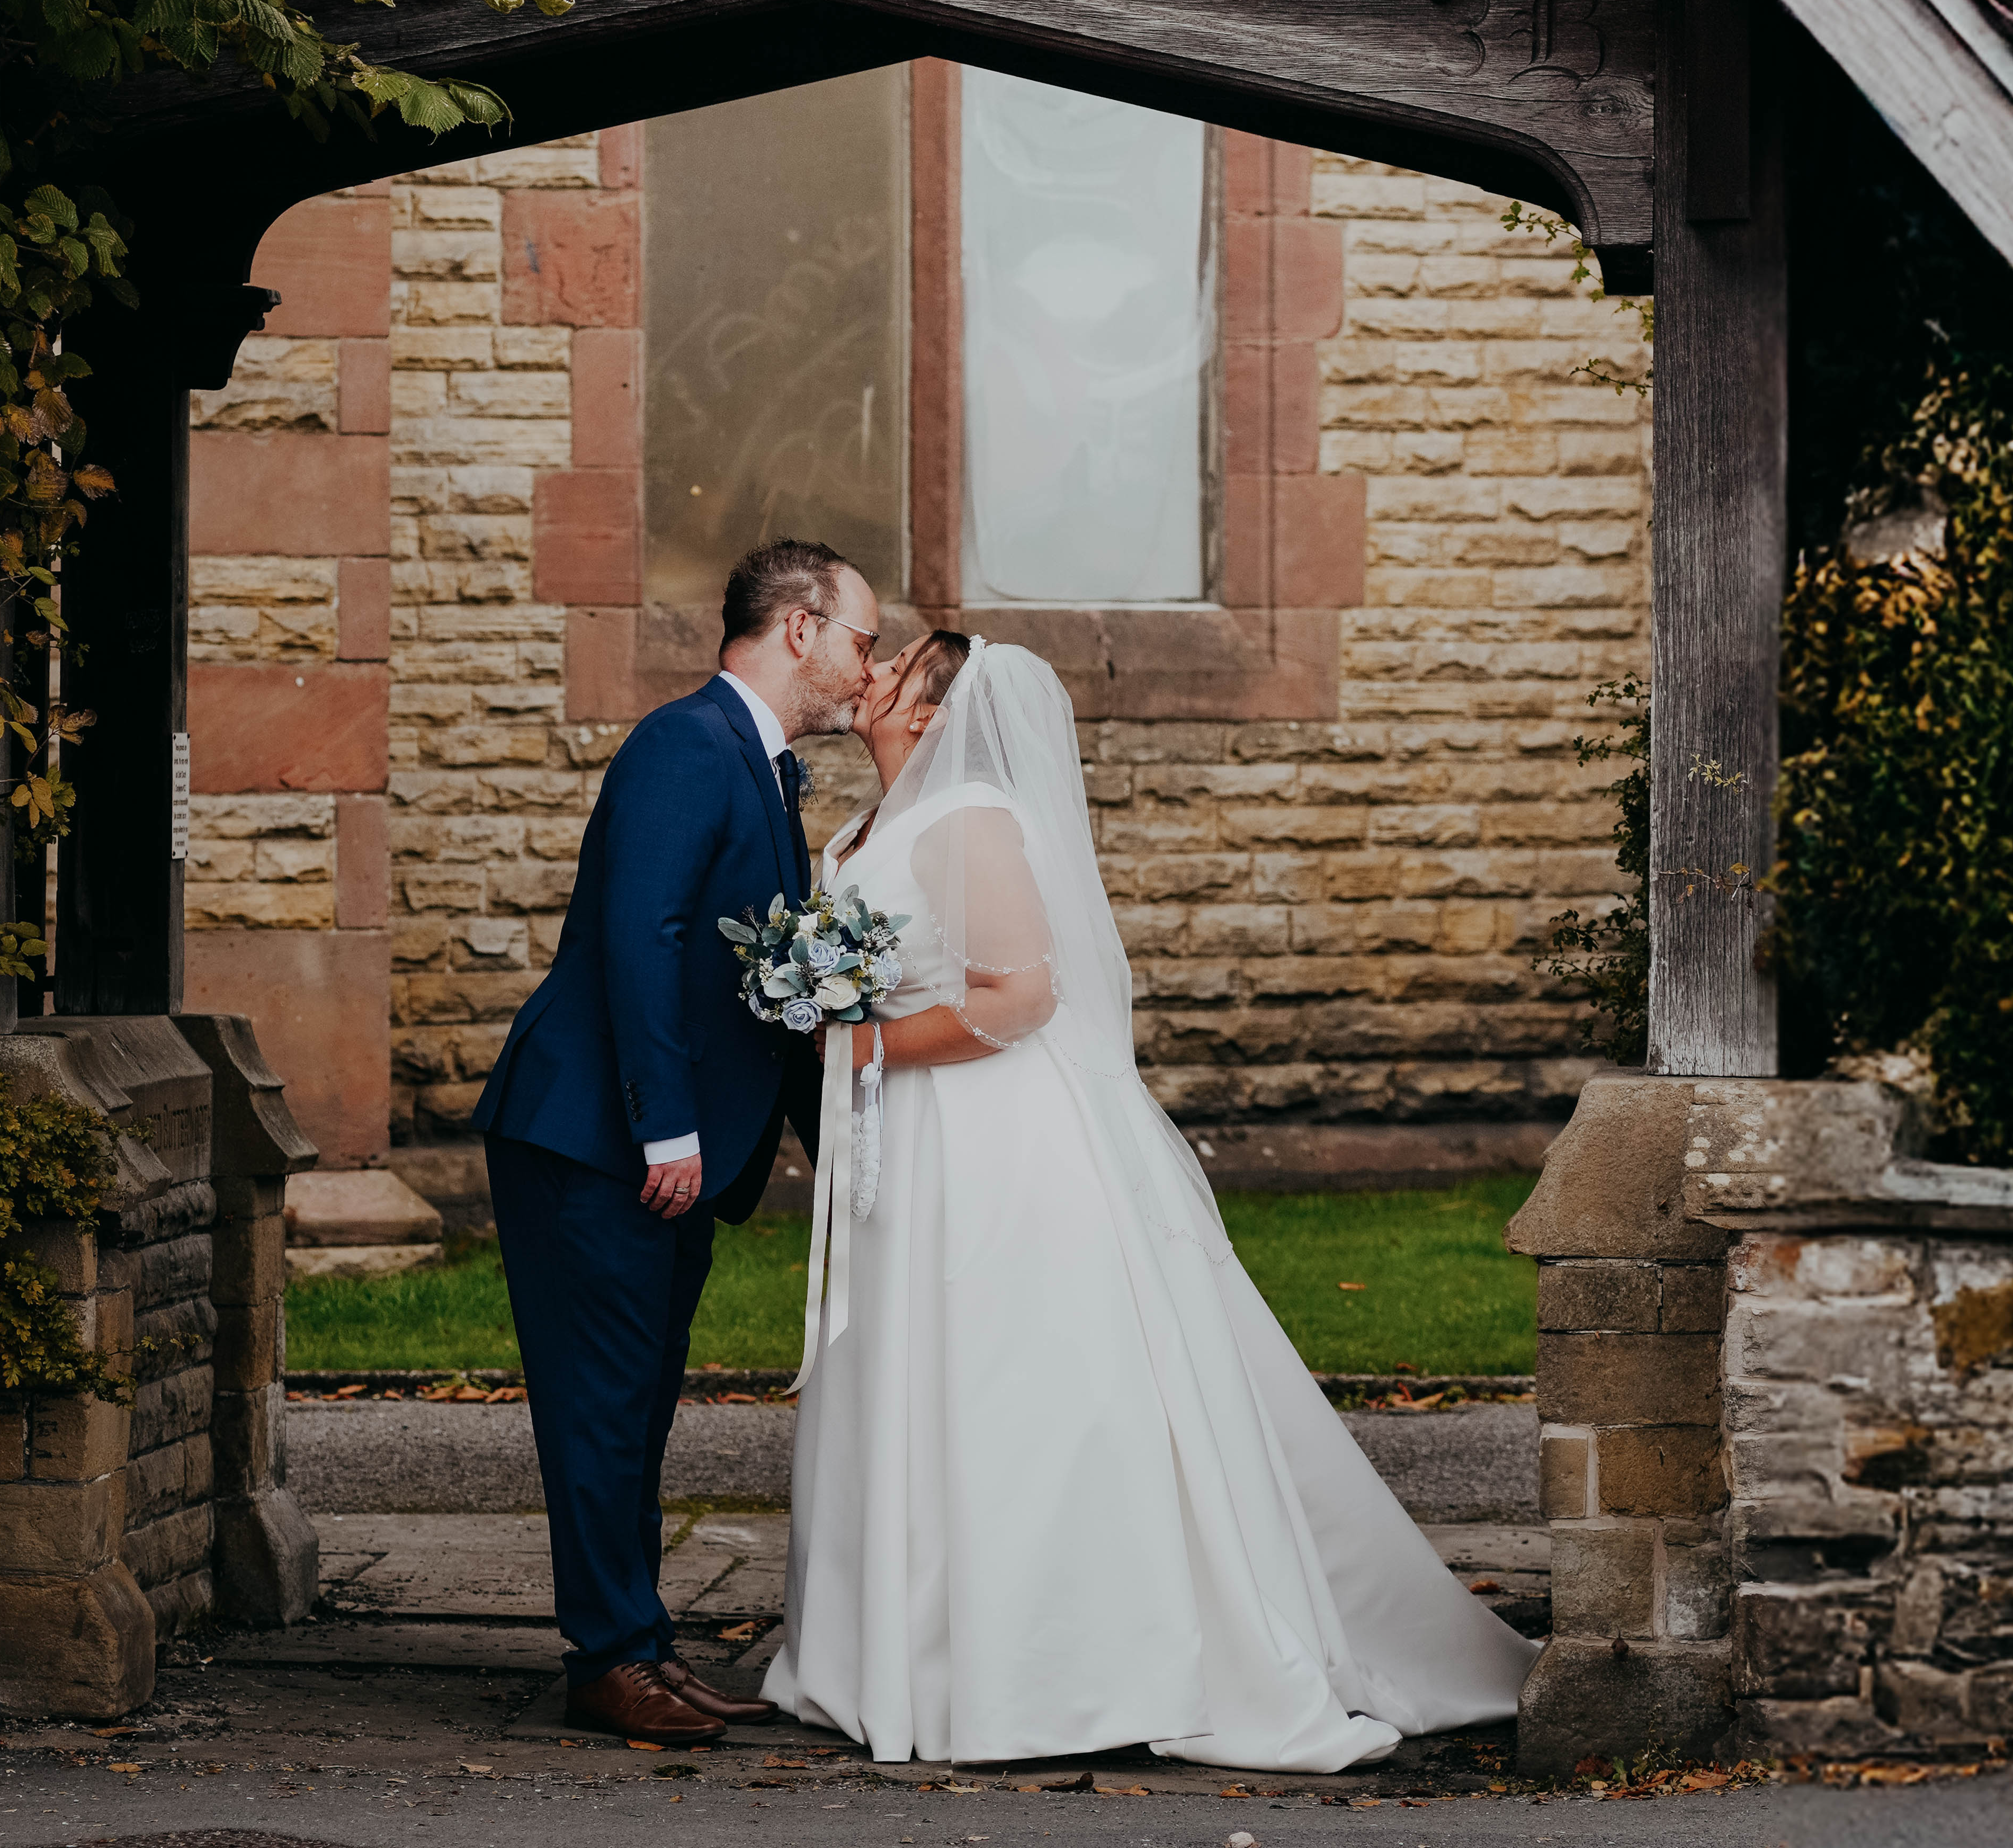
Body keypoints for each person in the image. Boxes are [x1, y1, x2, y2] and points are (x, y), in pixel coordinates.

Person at [765, 627, 1533, 1769]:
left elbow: (1019, 997)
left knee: (1009, 1375)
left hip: (990, 1137)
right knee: (908, 1368)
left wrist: (859, 1040)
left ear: (931, 712)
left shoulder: (970, 818)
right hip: (913, 1141)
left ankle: (1045, 1668)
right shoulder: (873, 825)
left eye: (896, 665)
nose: (869, 671)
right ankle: (896, 1651)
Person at [472, 534, 876, 1744]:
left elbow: (764, 984)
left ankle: (635, 1637)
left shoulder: (757, 762)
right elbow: (637, 937)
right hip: (595, 1140)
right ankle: (606, 1656)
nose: (867, 667)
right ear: (797, 627)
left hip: (655, 1150)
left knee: (638, 1401)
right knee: (600, 1404)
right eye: (859, 638)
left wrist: (844, 1146)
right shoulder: (681, 743)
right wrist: (666, 1130)